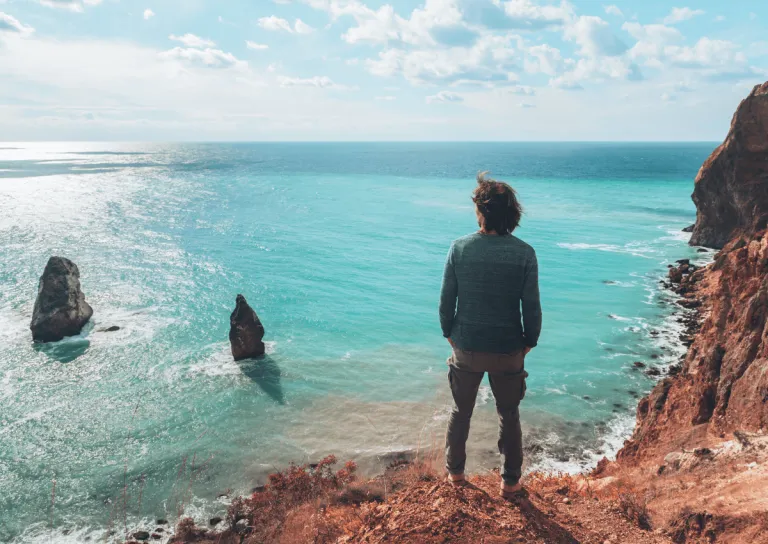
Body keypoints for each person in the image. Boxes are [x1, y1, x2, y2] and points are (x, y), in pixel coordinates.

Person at [439, 172, 541, 499]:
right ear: (512, 215)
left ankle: (455, 476)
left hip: (466, 347)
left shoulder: (459, 248)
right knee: (509, 415)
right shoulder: (525, 253)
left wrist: (450, 334)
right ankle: (510, 483)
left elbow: (446, 301)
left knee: (460, 413)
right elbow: (532, 307)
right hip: (509, 349)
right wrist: (528, 342)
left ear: (481, 212)